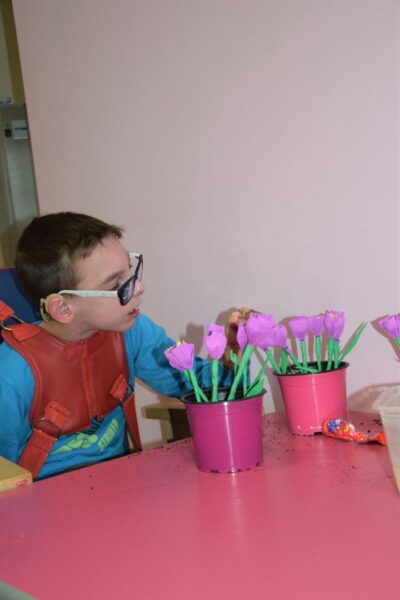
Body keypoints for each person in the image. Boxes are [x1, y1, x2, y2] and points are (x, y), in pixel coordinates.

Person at [0, 212, 239, 480]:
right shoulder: (11, 373)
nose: (139, 287)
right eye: (116, 284)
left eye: (131, 269)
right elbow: (5, 478)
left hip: (124, 486)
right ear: (64, 308)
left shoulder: (131, 332)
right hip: (44, 496)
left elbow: (193, 383)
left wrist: (234, 359)